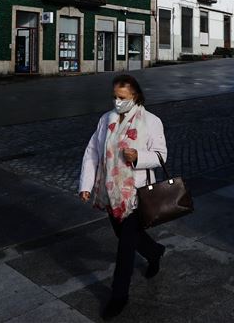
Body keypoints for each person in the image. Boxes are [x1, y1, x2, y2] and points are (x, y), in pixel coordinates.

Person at [79, 74, 168, 320]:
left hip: (135, 194)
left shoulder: (151, 121)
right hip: (110, 191)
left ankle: (119, 296)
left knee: (125, 245)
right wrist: (86, 185)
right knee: (124, 235)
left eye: (122, 98)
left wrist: (138, 156)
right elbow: (92, 153)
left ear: (135, 96)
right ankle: (154, 251)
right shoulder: (106, 119)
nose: (117, 102)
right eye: (114, 97)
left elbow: (161, 156)